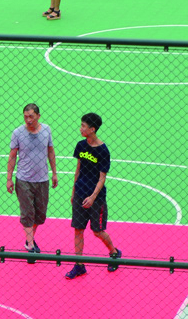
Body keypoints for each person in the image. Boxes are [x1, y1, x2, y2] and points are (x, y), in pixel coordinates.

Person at [65, 113, 121, 279]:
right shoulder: (80, 145)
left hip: (96, 198)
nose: (80, 129)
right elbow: (78, 169)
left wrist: (92, 197)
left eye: (83, 126)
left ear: (92, 129)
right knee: (78, 229)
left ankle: (114, 252)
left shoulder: (103, 150)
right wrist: (74, 192)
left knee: (97, 231)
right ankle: (79, 265)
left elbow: (102, 178)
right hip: (80, 193)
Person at [6, 103, 58, 263]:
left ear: (38, 116)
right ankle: (30, 246)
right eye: (25, 117)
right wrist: (9, 178)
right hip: (24, 180)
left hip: (42, 180)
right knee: (27, 213)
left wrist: (54, 173)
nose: (28, 120)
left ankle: (29, 239)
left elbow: (50, 151)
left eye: (31, 116)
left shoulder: (47, 130)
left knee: (40, 216)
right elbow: (12, 156)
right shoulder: (17, 133)